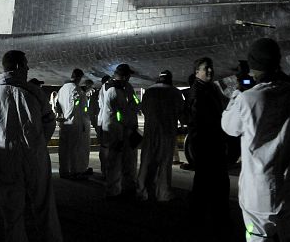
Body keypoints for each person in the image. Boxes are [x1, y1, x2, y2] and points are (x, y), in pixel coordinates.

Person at [222, 38, 290, 241]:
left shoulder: (248, 99)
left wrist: (238, 91)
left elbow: (229, 127)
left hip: (260, 188)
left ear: (253, 66)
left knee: (258, 237)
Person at [0, 50, 62, 242]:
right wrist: (39, 142)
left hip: (6, 159)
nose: (27, 68)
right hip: (35, 157)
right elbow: (49, 121)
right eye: (25, 65)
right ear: (18, 67)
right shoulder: (34, 93)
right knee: (44, 206)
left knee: (12, 211)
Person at [188, 57, 232, 238]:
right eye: (206, 69)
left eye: (211, 68)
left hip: (215, 142)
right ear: (197, 72)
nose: (210, 71)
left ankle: (217, 218)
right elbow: (199, 121)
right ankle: (201, 222)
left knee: (217, 183)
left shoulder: (211, 88)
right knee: (205, 184)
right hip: (206, 145)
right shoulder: (197, 92)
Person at [136, 70, 183, 202]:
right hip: (167, 132)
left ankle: (142, 191)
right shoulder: (175, 92)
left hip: (150, 132)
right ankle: (163, 193)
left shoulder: (149, 91)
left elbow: (144, 109)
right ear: (170, 79)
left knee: (146, 162)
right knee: (164, 164)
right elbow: (180, 111)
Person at [99, 63, 141, 199]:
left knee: (129, 160)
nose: (129, 78)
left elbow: (135, 101)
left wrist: (134, 105)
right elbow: (119, 113)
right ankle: (113, 191)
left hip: (125, 128)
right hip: (117, 130)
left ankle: (128, 186)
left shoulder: (125, 87)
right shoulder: (113, 90)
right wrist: (128, 128)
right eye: (128, 76)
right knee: (115, 160)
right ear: (123, 76)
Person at [56, 68, 90, 179]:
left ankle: (64, 171)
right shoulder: (76, 89)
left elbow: (58, 105)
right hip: (74, 123)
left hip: (64, 124)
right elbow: (74, 107)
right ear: (79, 78)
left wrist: (62, 118)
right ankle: (75, 171)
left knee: (64, 148)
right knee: (75, 148)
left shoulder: (62, 89)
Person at [96, 75, 110, 179]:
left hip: (101, 121)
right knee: (106, 147)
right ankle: (106, 171)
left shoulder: (101, 90)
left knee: (103, 147)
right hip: (105, 121)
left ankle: (104, 171)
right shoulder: (106, 89)